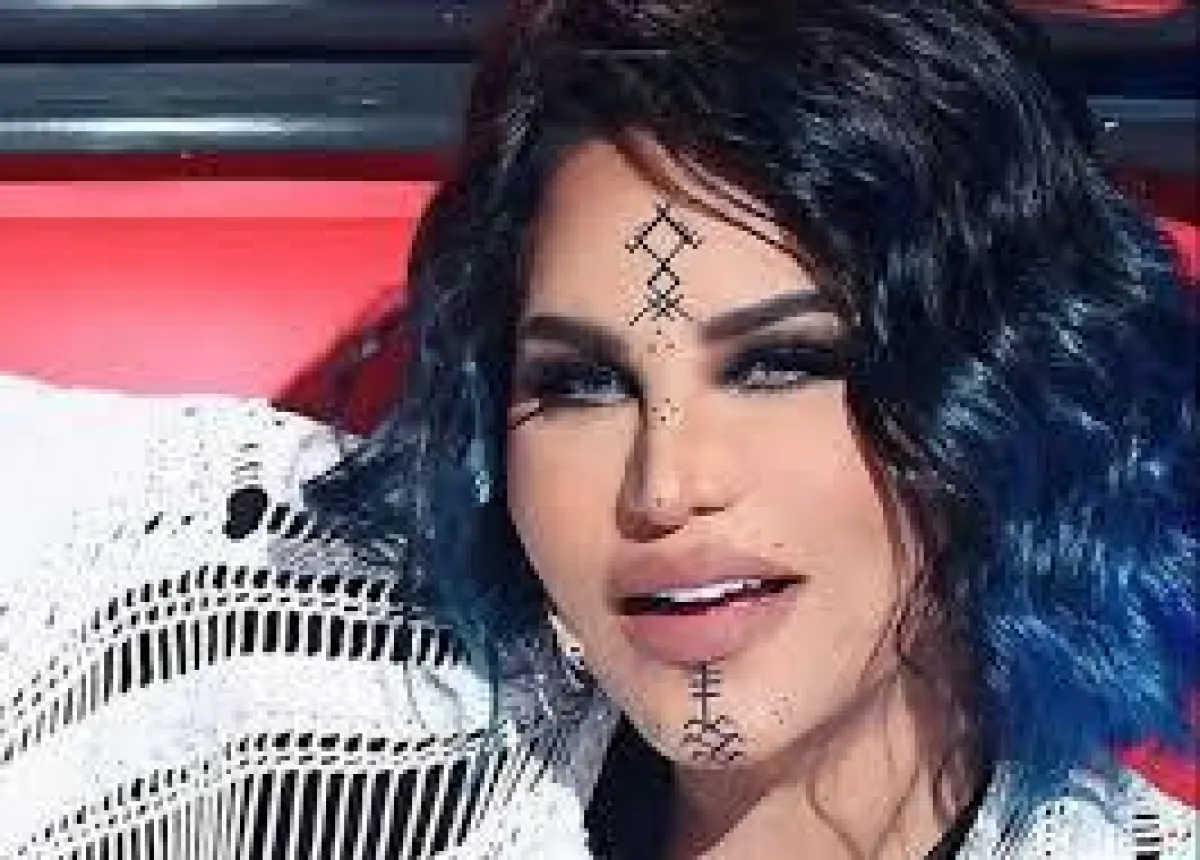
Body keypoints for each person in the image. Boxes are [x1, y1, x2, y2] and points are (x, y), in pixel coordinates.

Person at [305, 0, 1200, 858]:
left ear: (999, 390)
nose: (664, 487)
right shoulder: (315, 731)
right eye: (583, 383)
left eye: (779, 364)